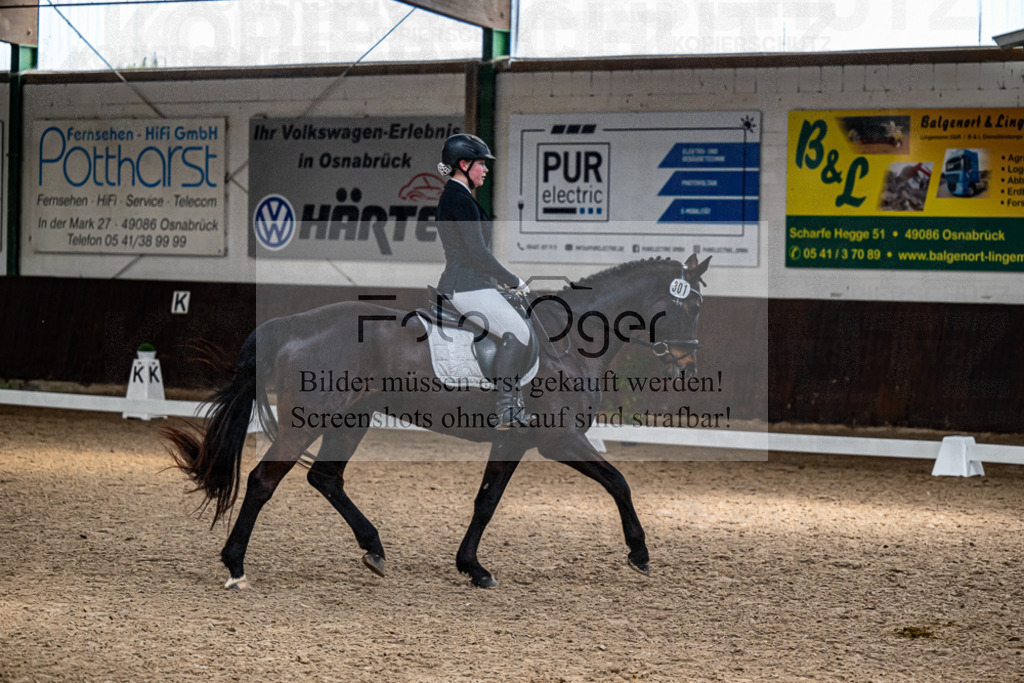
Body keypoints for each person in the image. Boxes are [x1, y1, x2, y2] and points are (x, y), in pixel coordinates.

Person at [435, 133, 533, 429]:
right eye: (481, 164)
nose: (486, 170)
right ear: (464, 164)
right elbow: (477, 253)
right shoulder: (459, 199)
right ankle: (506, 409)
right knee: (518, 332)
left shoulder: (459, 197)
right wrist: (513, 280)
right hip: (467, 285)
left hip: (472, 282)